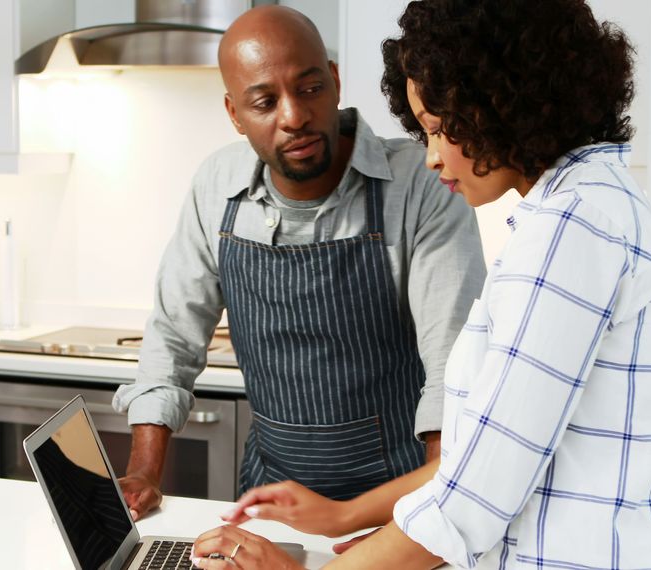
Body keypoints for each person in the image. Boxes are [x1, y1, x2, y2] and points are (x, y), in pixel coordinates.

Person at [190, 1, 651, 568]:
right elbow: (483, 456)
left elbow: (473, 501)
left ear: (504, 104)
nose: (433, 157)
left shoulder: (571, 230)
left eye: (441, 130)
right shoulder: (593, 205)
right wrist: (345, 516)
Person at [111, 4, 487, 522]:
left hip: (399, 505)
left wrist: (426, 528)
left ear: (334, 81)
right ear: (234, 114)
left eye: (309, 88)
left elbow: (454, 369)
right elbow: (172, 338)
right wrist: (144, 474)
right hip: (268, 505)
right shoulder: (216, 188)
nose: (293, 116)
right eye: (264, 102)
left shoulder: (422, 183)